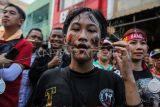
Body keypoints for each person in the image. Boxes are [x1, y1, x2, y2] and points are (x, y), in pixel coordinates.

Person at [27, 7, 141, 107]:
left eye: (91, 30)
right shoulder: (48, 78)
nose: (82, 36)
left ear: (100, 43)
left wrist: (128, 78)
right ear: (66, 39)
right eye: (76, 29)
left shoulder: (113, 80)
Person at [0, 3, 32, 107]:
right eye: (4, 12)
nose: (6, 14)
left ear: (20, 21)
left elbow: (9, 75)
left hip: (6, 101)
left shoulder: (25, 44)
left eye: (11, 13)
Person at [122, 28, 160, 106]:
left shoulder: (155, 77)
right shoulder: (115, 76)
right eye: (133, 43)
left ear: (147, 48)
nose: (139, 47)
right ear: (123, 46)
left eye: (143, 43)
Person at [18, 28, 43, 107]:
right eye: (33, 37)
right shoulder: (16, 53)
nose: (36, 40)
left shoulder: (42, 59)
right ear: (26, 37)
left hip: (29, 101)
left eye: (39, 38)